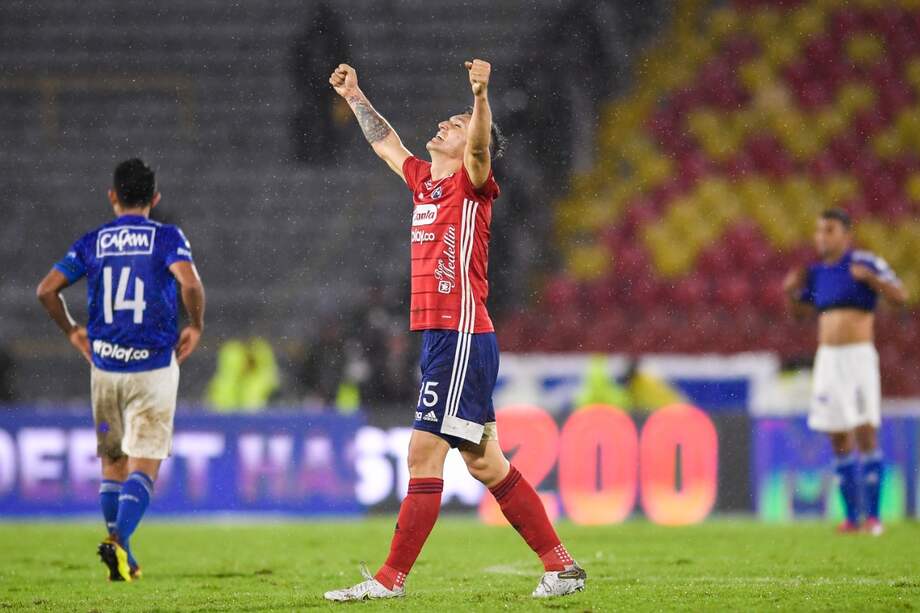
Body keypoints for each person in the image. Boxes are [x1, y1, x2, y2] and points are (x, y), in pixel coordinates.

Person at [323, 60, 585, 601]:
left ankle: (389, 581)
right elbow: (385, 144)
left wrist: (482, 96)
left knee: (423, 451)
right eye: (450, 118)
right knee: (486, 462)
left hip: (461, 334)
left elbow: (482, 149)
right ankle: (561, 567)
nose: (446, 122)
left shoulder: (472, 182)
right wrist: (354, 96)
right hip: (446, 338)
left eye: (457, 122)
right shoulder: (425, 182)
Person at [36, 159, 205, 580]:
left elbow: (46, 290)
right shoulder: (166, 238)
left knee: (112, 463)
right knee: (143, 465)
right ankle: (117, 542)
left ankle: (123, 555)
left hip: (105, 369)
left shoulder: (93, 242)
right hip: (152, 369)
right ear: (155, 198)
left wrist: (75, 332)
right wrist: (196, 325)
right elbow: (189, 282)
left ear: (112, 196)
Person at [783, 208, 907, 535]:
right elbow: (799, 315)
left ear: (846, 234)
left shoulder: (865, 263)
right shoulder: (816, 273)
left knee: (865, 430)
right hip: (828, 360)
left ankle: (874, 517)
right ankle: (852, 518)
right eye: (818, 230)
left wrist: (872, 280)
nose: (822, 236)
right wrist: (791, 292)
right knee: (837, 435)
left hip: (857, 358)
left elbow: (901, 296)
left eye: (829, 230)